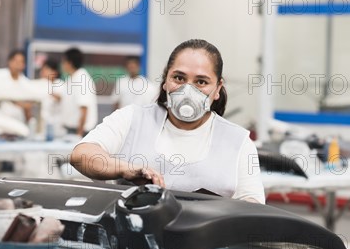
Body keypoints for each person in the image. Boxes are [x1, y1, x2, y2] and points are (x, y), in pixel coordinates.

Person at [70, 39, 264, 203]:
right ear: (165, 80)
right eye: (179, 78)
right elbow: (81, 155)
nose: (188, 90)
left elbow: (253, 207)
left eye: (201, 82)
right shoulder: (131, 119)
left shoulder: (238, 142)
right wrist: (126, 169)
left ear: (218, 88)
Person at [60, 48, 98, 137]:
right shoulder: (71, 78)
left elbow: (84, 109)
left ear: (69, 63)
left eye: (63, 62)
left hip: (80, 132)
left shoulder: (82, 79)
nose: (61, 65)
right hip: (70, 130)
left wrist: (79, 135)